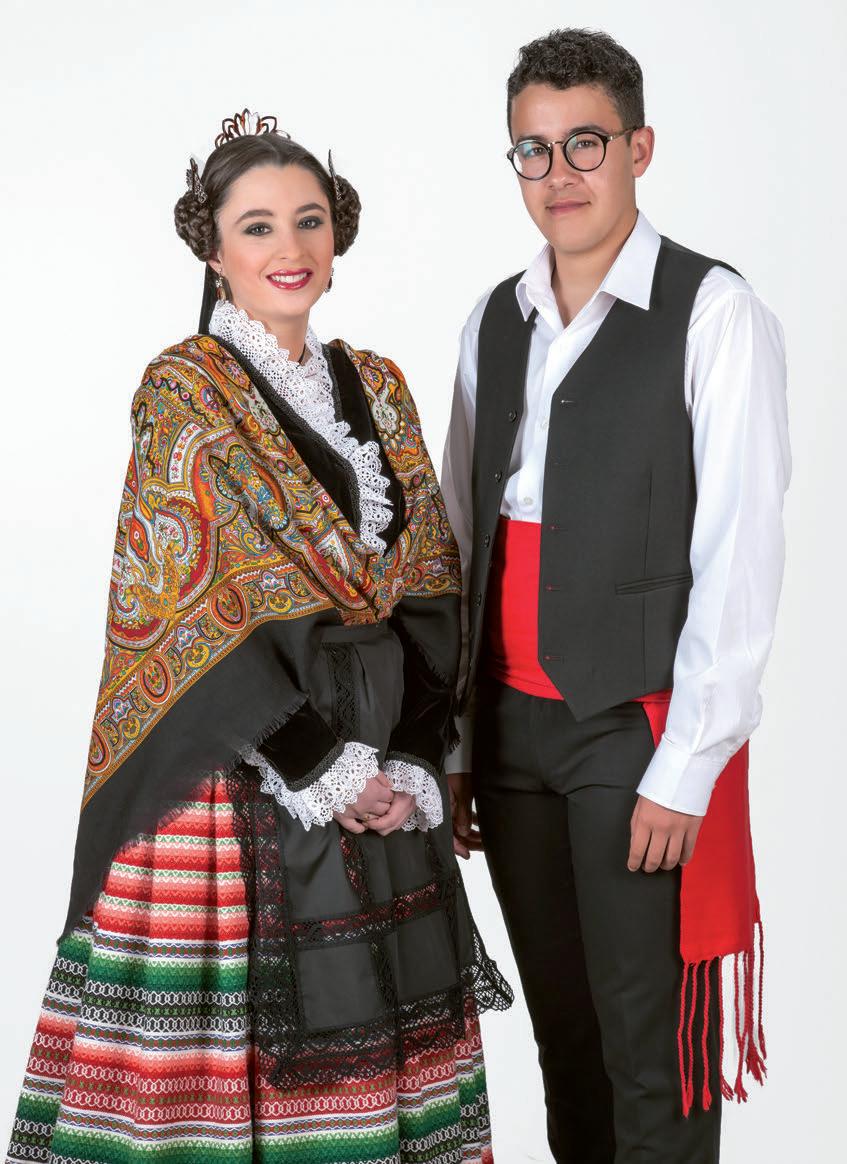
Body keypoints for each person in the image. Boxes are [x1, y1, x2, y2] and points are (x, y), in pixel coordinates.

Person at [6, 109, 511, 1164]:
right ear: (213, 249)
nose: (290, 248)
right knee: (219, 1075)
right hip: (235, 763)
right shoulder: (183, 388)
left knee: (383, 1052)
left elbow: (429, 582)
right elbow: (191, 606)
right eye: (258, 226)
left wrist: (409, 760)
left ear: (338, 234)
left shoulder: (379, 383)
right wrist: (325, 767)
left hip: (382, 758)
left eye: (309, 220)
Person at [442, 29, 790, 1164]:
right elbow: (461, 539)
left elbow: (740, 552)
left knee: (652, 1054)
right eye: (533, 150)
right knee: (568, 1047)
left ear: (638, 148)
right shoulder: (493, 319)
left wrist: (686, 766)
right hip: (509, 732)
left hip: (632, 732)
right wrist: (456, 740)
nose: (559, 175)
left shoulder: (714, 313)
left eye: (584, 143)